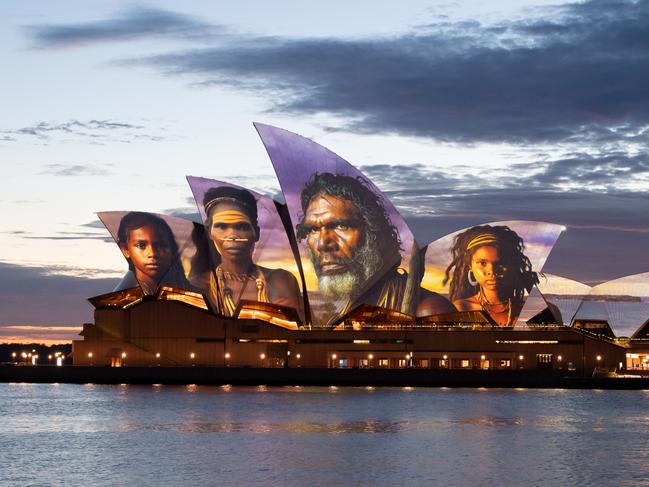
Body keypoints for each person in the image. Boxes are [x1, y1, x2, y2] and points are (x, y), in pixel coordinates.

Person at [296, 172, 454, 322]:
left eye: (341, 226)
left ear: (375, 233)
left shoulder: (429, 311)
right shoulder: (342, 316)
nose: (322, 244)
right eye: (313, 229)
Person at [202, 186, 302, 317]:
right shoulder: (201, 285)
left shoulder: (281, 281)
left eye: (242, 226)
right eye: (222, 226)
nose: (232, 235)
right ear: (210, 233)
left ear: (257, 233)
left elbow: (304, 330)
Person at [443, 225, 539, 326]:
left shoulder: (525, 310)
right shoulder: (461, 309)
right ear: (470, 266)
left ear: (510, 264)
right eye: (482, 263)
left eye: (500, 263)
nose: (492, 271)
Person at [116, 212, 190, 295]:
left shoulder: (195, 296)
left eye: (161, 245)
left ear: (172, 250)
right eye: (141, 245)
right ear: (125, 250)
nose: (152, 253)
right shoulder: (120, 299)